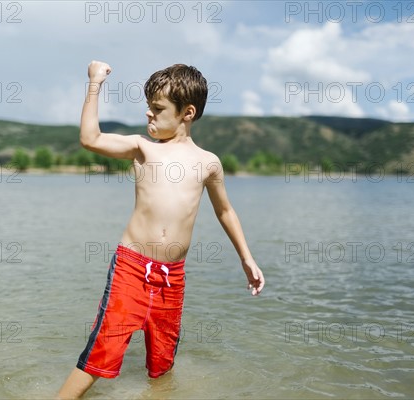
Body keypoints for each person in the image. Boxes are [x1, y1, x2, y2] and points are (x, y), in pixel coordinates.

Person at [57, 61, 265, 399]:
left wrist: (247, 258)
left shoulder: (208, 162)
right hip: (132, 268)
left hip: (173, 278)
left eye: (157, 108)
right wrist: (94, 83)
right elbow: (89, 138)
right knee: (101, 352)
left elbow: (225, 210)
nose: (148, 115)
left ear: (188, 113)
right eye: (149, 107)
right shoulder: (143, 148)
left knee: (162, 364)